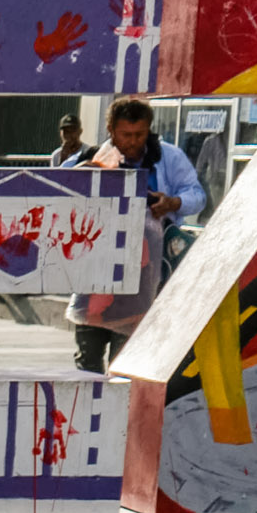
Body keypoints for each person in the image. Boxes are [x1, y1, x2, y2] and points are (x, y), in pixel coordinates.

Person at [69, 96, 205, 373]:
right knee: (88, 366)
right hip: (95, 281)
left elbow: (197, 195)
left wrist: (173, 202)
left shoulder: (169, 157)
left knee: (127, 367)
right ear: (111, 131)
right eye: (125, 135)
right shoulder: (90, 158)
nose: (132, 142)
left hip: (142, 284)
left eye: (139, 134)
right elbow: (55, 187)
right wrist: (78, 176)